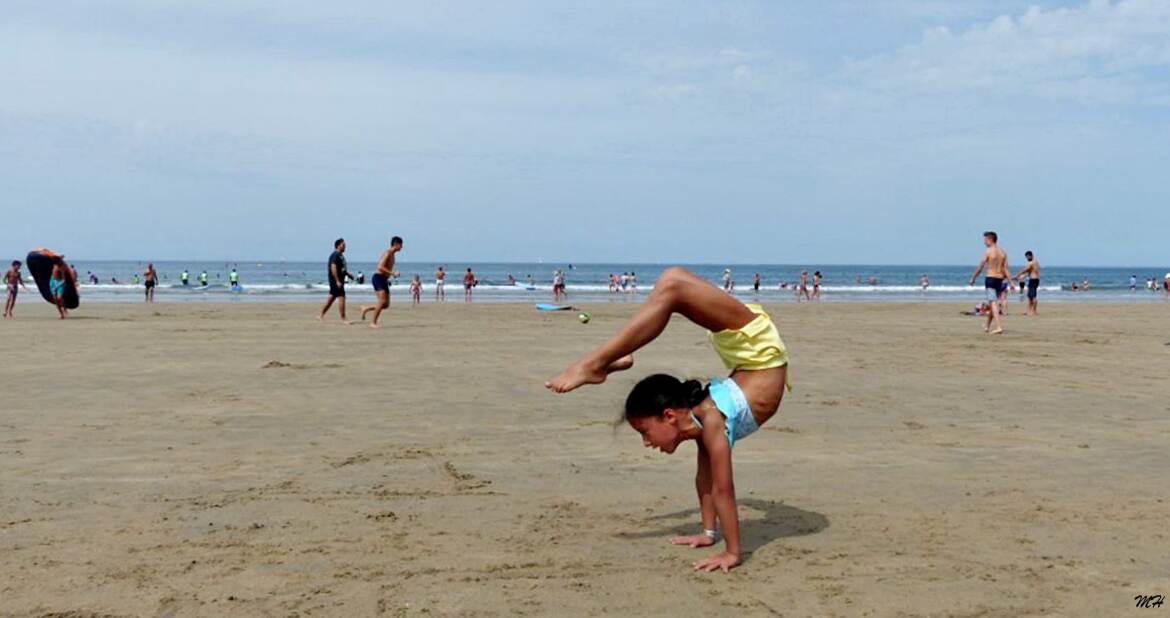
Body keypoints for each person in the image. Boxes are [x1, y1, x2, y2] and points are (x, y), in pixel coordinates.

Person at [544, 267, 790, 573]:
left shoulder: (711, 419)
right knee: (671, 284)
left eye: (645, 432)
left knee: (672, 283)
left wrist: (732, 553)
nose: (647, 443)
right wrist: (708, 533)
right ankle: (604, 361)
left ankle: (597, 363)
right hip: (752, 355)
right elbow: (705, 481)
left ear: (669, 415)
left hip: (758, 350)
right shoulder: (704, 421)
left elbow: (724, 490)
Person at [969, 231, 1010, 334]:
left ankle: (999, 326)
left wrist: (973, 278)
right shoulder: (1003, 252)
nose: (984, 242)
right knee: (993, 303)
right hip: (999, 279)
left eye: (985, 240)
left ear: (990, 239)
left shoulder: (989, 251)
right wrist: (1010, 281)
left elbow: (981, 266)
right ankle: (987, 325)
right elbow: (1005, 269)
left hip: (991, 278)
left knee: (993, 302)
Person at [361, 236, 403, 328]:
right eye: (401, 245)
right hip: (378, 278)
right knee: (382, 301)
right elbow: (380, 267)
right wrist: (392, 273)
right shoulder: (387, 253)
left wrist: (389, 277)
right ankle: (373, 323)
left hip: (383, 279)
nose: (402, 247)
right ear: (396, 244)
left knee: (386, 305)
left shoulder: (393, 255)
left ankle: (366, 308)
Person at [319, 238, 351, 323]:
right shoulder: (335, 255)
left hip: (339, 281)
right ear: (338, 245)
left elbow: (342, 269)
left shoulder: (340, 256)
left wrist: (348, 274)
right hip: (336, 281)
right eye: (343, 245)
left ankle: (320, 315)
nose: (345, 247)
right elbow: (333, 267)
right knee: (342, 297)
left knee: (331, 298)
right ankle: (343, 318)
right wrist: (337, 280)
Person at [1014, 251, 1040, 316]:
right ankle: (1029, 311)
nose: (1027, 259)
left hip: (1033, 280)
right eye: (1026, 257)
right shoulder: (1036, 262)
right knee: (1030, 296)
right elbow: (1030, 271)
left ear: (1031, 255)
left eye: (1027, 257)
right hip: (1035, 279)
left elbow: (1024, 270)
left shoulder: (1031, 263)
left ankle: (1033, 311)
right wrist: (1021, 276)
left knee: (1032, 297)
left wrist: (1016, 276)